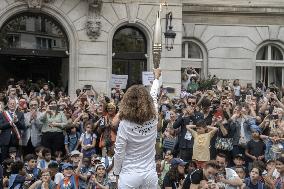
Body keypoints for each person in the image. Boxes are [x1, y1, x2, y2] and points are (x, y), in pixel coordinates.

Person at [113, 68, 162, 189]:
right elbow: (154, 95)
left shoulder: (125, 124)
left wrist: (116, 172)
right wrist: (156, 78)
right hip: (150, 175)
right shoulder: (154, 116)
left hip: (129, 175)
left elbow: (119, 151)